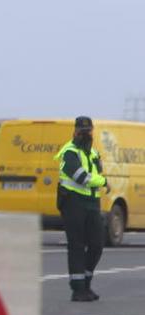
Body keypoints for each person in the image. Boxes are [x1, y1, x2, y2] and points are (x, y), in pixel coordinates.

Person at [57, 116, 107, 302]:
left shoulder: (93, 153)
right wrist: (103, 181)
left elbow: (96, 173)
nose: (85, 134)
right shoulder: (69, 152)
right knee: (77, 245)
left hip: (92, 203)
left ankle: (86, 282)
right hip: (73, 203)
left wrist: (100, 180)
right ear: (75, 131)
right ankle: (78, 289)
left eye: (88, 130)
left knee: (97, 245)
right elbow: (82, 177)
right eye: (82, 131)